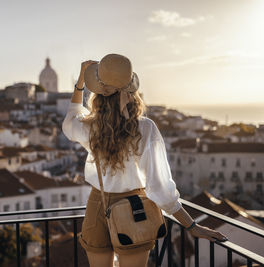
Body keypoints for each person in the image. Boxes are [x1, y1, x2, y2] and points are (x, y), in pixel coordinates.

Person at [62, 54, 228, 267]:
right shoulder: (145, 128)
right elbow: (160, 188)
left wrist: (80, 83)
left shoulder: (90, 127)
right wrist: (191, 225)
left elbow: (71, 119)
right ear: (131, 93)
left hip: (97, 205)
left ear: (99, 95)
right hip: (135, 208)